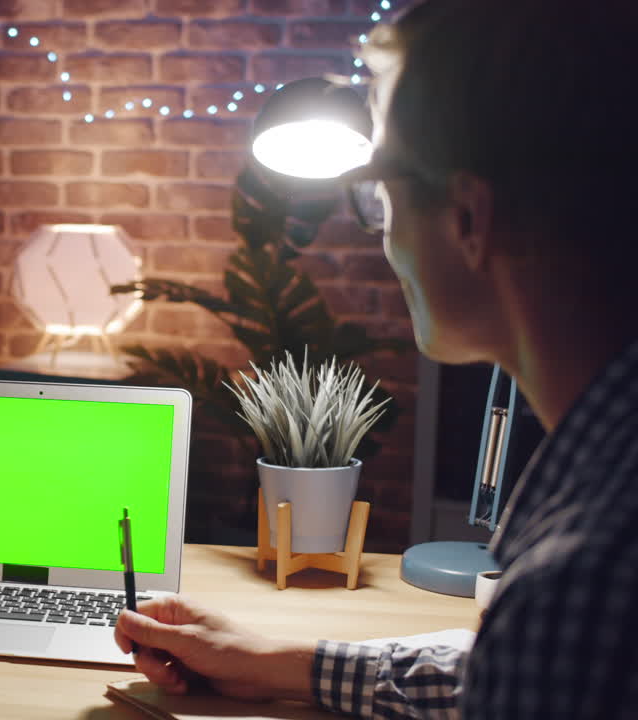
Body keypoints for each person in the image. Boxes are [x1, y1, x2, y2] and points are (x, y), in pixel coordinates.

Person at [114, 1, 638, 717]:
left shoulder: (581, 577)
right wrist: (279, 663)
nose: (381, 233)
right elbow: (503, 668)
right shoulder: (589, 550)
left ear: (468, 221)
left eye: (378, 188)